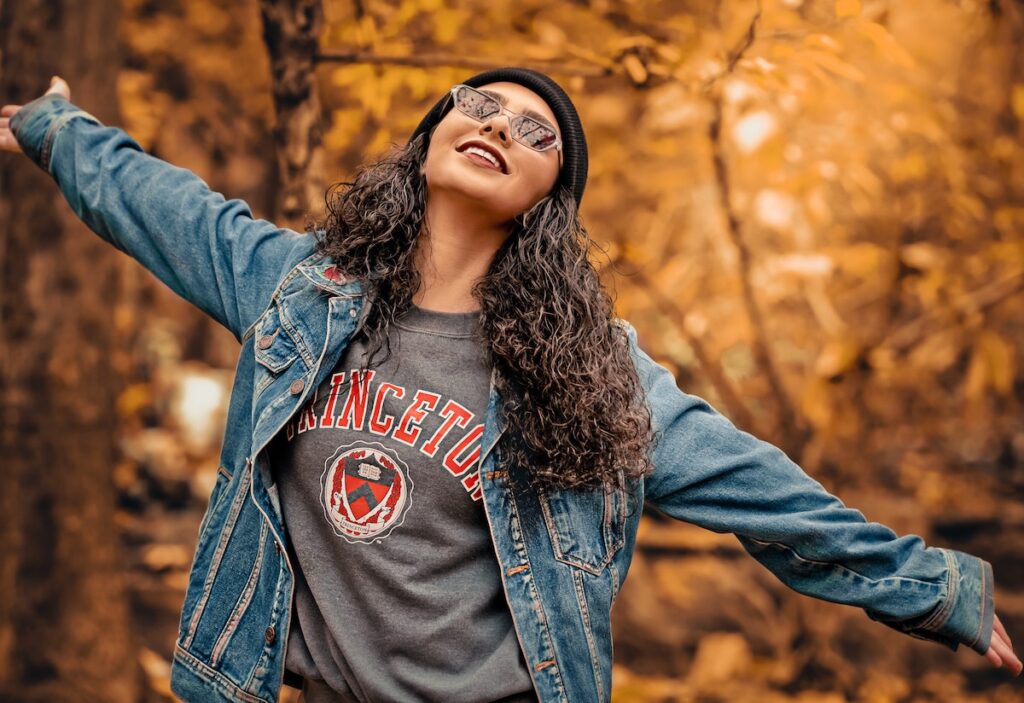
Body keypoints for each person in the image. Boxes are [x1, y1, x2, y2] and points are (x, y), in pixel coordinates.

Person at [2, 68, 1020, 703]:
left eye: (536, 133)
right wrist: (56, 129)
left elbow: (757, 486)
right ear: (431, 140)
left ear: (548, 200)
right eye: (478, 107)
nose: (497, 126)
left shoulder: (587, 372)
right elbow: (164, 205)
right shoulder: (297, 292)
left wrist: (934, 590)